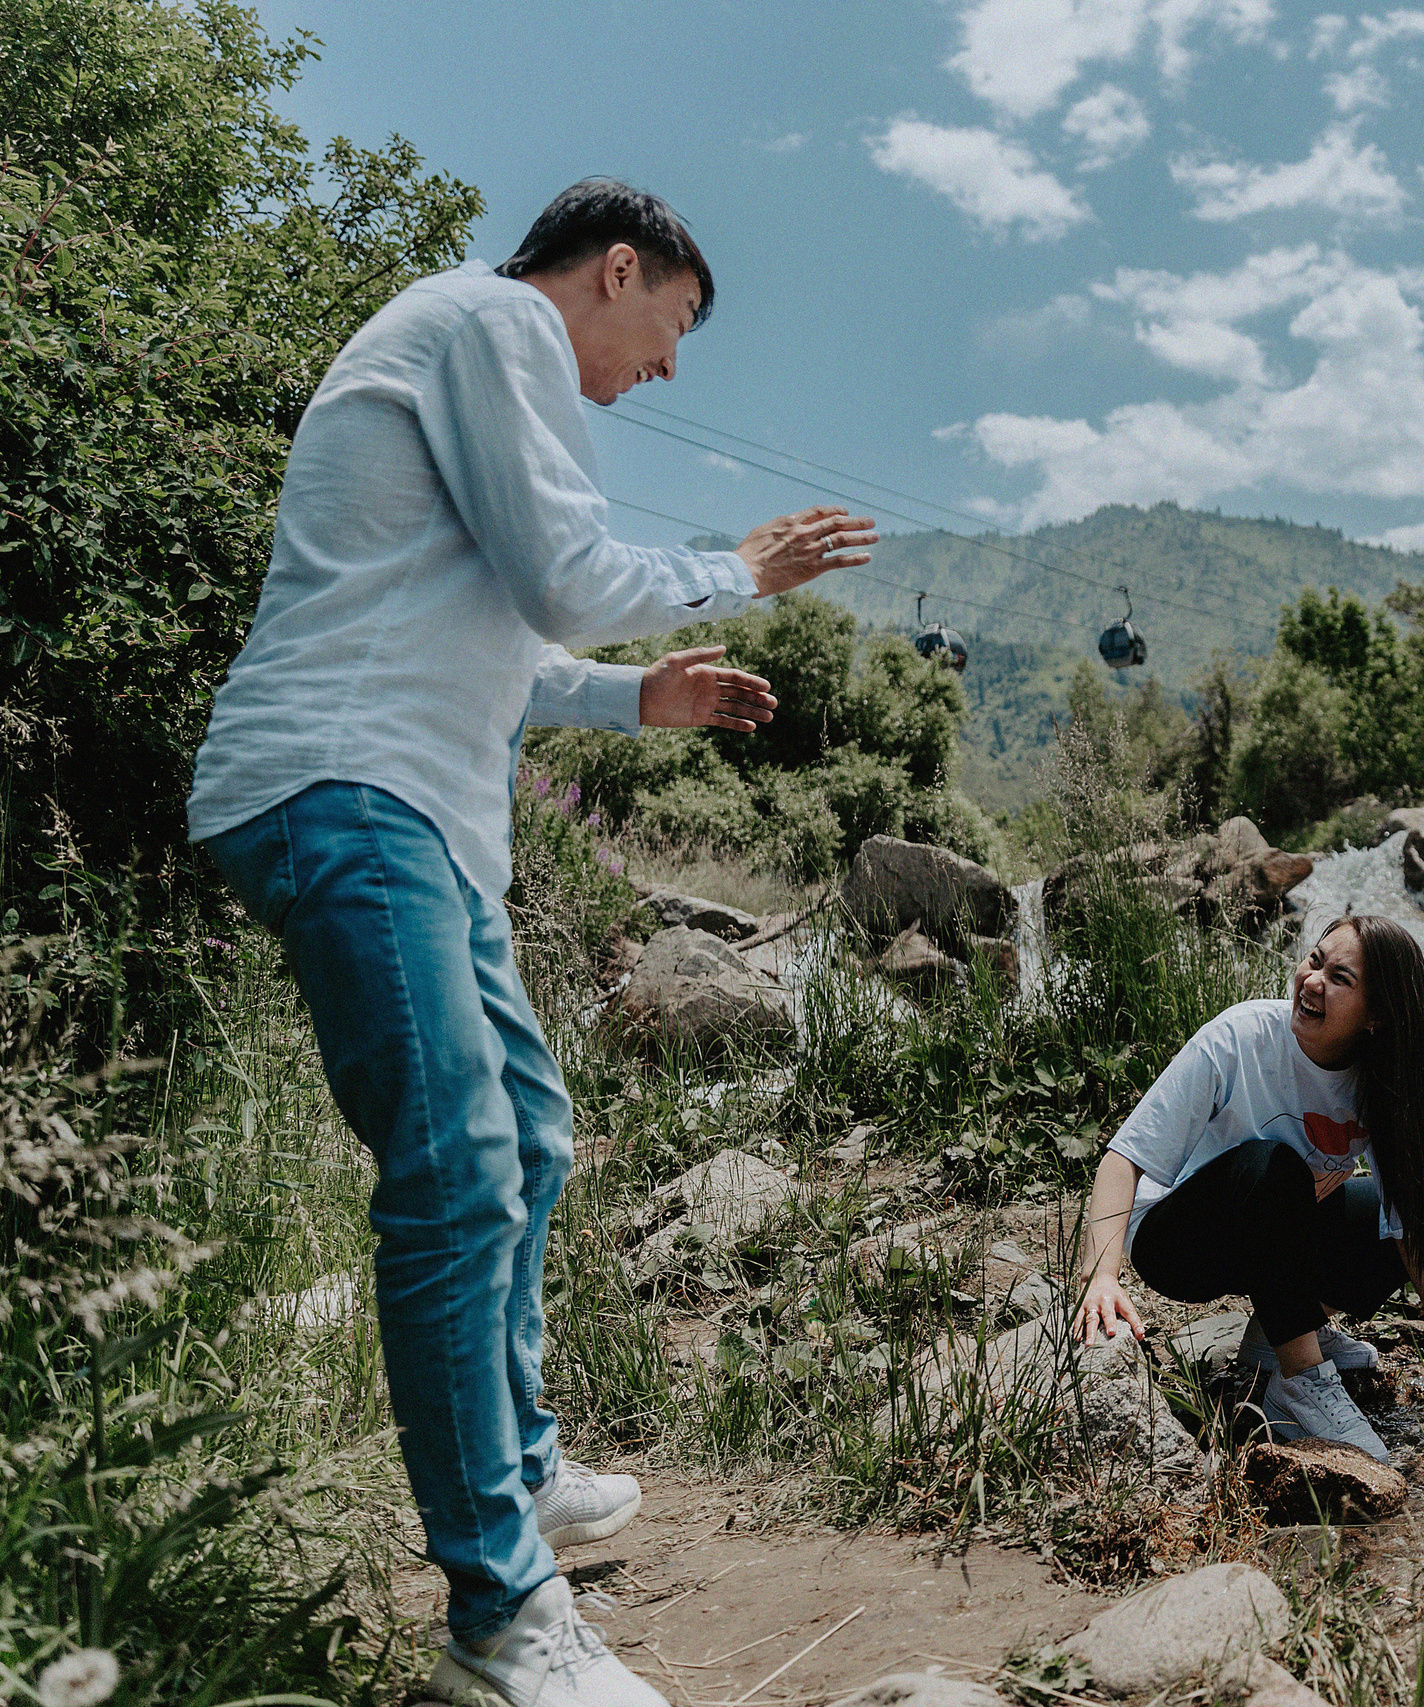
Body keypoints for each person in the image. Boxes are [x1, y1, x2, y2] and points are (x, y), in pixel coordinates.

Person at [186, 179, 873, 1707]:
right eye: (674, 324)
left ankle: (516, 1465)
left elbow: (502, 625)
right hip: (346, 788)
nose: (670, 365)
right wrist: (738, 568)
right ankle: (501, 1616)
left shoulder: (472, 352)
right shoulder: (494, 321)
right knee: (458, 1169)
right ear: (616, 269)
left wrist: (637, 696)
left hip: (414, 816)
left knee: (531, 1133)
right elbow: (565, 575)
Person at [1073, 914, 1424, 1460]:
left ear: (1377, 1016)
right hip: (1180, 1242)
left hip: (1275, 1232)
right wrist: (1101, 1276)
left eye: (1340, 978)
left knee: (1403, 1213)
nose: (1312, 981)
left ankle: (1277, 1336)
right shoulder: (1240, 1036)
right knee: (1277, 1170)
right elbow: (1123, 1158)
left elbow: (1416, 1230)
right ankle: (1301, 1380)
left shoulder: (1383, 1079)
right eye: (1315, 961)